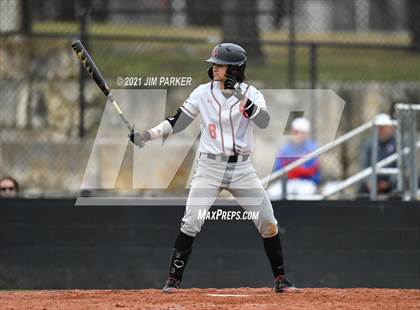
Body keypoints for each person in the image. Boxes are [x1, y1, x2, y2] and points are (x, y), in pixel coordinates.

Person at [129, 43, 297, 293]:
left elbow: (264, 121)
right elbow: (178, 121)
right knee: (191, 222)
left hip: (242, 169)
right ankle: (173, 280)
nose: (215, 68)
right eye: (215, 65)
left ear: (235, 70)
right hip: (209, 166)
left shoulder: (252, 93)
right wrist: (148, 135)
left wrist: (244, 101)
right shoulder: (202, 93)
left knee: (268, 222)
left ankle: (281, 280)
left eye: (220, 65)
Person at [268, 117, 320, 199]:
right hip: (288, 182)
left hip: (306, 182)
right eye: (296, 132)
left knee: (304, 196)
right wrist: (295, 170)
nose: (298, 135)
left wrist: (293, 169)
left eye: (301, 132)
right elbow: (278, 169)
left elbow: (311, 170)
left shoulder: (312, 147)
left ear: (306, 134)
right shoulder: (285, 149)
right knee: (273, 193)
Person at [359, 113, 397, 194]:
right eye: (379, 127)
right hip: (372, 183)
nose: (381, 130)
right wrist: (370, 182)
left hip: (391, 184)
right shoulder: (369, 143)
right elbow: (364, 165)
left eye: (384, 127)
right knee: (362, 190)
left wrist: (389, 183)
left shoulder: (397, 143)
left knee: (397, 189)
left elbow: (402, 166)